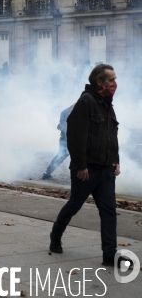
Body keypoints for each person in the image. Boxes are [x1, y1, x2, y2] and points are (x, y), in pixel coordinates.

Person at [49, 64, 132, 269]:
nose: (115, 84)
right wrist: (80, 165)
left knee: (109, 211)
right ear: (99, 82)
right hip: (87, 170)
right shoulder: (86, 102)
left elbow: (111, 136)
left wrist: (116, 161)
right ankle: (55, 236)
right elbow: (75, 137)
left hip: (105, 169)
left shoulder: (107, 104)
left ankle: (109, 255)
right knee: (74, 205)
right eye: (111, 80)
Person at [42, 104, 75, 180]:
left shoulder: (65, 111)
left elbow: (61, 125)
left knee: (60, 156)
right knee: (77, 158)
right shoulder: (78, 110)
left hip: (65, 137)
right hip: (72, 138)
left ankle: (47, 173)